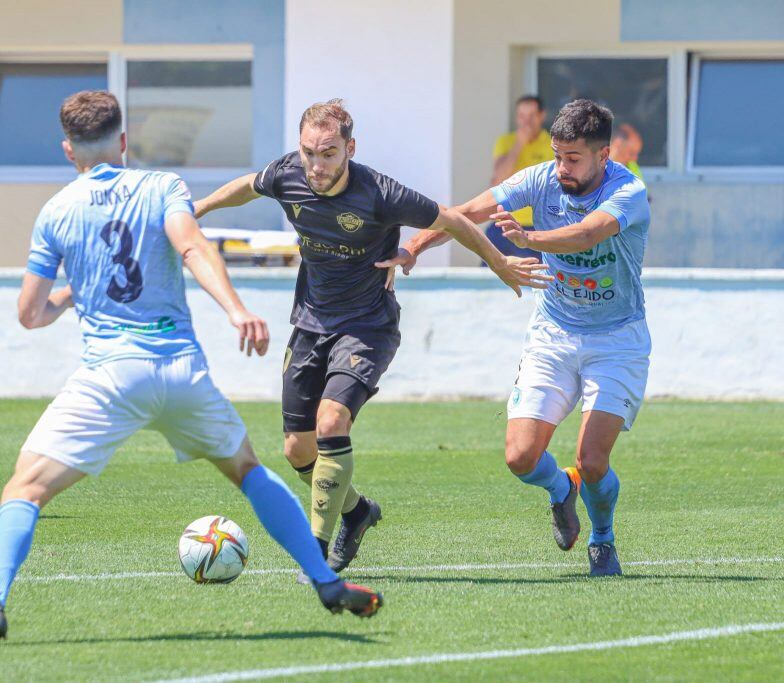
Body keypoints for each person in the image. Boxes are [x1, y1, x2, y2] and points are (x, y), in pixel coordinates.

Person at [0, 91, 384, 644]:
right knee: (249, 471)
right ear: (123, 141)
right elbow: (194, 247)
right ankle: (324, 582)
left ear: (68, 151)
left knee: (25, 489)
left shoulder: (56, 211)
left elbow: (30, 314)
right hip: (178, 368)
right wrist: (237, 310)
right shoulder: (162, 187)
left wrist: (73, 295)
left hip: (110, 375)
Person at [193, 99, 549, 580]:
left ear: (350, 149)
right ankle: (356, 512)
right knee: (298, 451)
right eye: (309, 153)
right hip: (310, 322)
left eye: (329, 154)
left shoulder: (381, 192)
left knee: (331, 420)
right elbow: (247, 187)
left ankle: (314, 554)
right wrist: (197, 208)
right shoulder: (288, 174)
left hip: (367, 324)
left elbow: (453, 220)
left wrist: (500, 263)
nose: (316, 166)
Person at [379, 99, 650, 577]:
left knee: (592, 459)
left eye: (573, 159)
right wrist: (414, 245)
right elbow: (465, 213)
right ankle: (559, 490)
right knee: (520, 457)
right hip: (554, 333)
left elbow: (587, 234)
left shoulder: (629, 191)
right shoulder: (541, 179)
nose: (561, 167)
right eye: (557, 155)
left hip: (616, 339)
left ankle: (602, 537)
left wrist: (527, 240)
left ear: (603, 155)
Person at [484, 95, 551, 260]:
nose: (526, 122)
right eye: (522, 116)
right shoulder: (506, 142)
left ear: (542, 116)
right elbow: (497, 180)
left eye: (531, 116)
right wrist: (519, 144)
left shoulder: (552, 144)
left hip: (538, 226)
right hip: (506, 222)